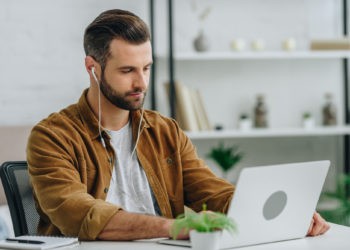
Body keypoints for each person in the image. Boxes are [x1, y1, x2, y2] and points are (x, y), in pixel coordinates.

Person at [26, 9, 329, 241]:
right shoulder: (52, 137)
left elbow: (214, 193)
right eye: (127, 70)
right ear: (92, 68)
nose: (141, 82)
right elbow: (80, 214)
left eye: (146, 68)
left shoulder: (165, 131)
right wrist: (176, 227)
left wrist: (283, 214)